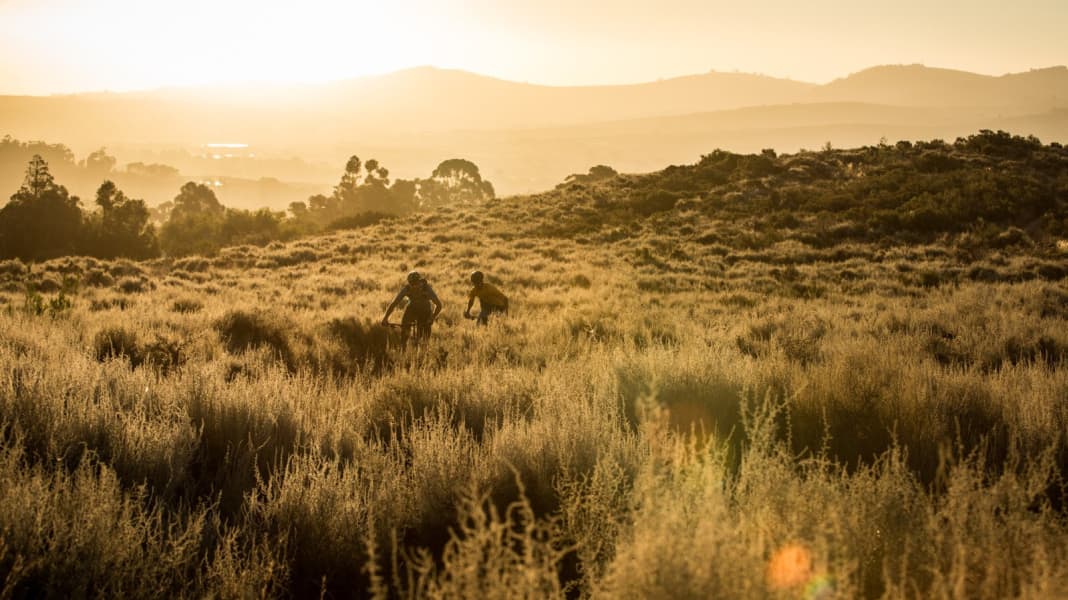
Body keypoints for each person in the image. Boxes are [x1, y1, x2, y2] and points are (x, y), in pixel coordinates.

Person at [382, 270, 442, 345]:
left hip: (425, 309)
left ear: (420, 281)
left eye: (416, 284)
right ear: (409, 283)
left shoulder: (427, 289)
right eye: (412, 284)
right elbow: (394, 303)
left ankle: (423, 350)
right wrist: (385, 318)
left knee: (424, 337)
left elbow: (439, 305)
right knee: (404, 330)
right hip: (412, 308)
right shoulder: (406, 289)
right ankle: (403, 348)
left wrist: (432, 317)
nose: (414, 286)